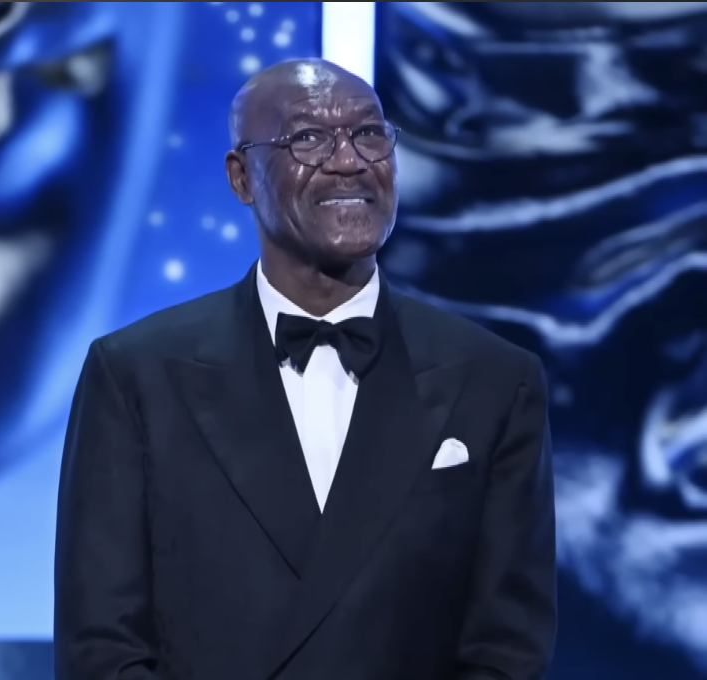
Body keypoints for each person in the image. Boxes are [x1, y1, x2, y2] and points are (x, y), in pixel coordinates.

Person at [53, 59, 557, 680]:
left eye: (368, 134)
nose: (349, 161)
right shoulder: (136, 376)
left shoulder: (495, 381)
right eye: (309, 138)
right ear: (241, 177)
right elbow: (101, 646)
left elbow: (507, 649)